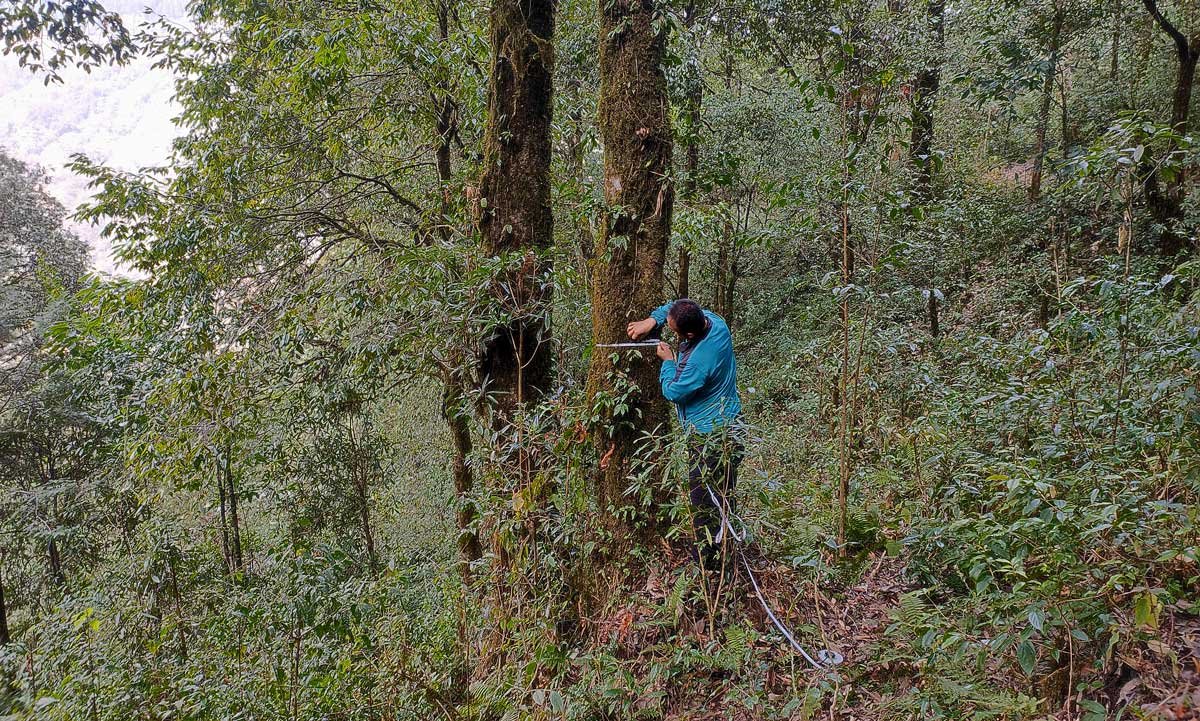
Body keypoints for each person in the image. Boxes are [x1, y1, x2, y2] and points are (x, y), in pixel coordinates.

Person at [627, 299, 743, 569]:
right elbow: (676, 305)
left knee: (704, 502)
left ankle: (708, 567)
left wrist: (668, 362)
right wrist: (652, 321)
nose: (669, 331)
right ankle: (726, 549)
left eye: (672, 329)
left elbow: (674, 391)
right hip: (732, 425)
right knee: (723, 494)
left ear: (688, 335)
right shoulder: (715, 322)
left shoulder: (701, 361)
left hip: (712, 439)